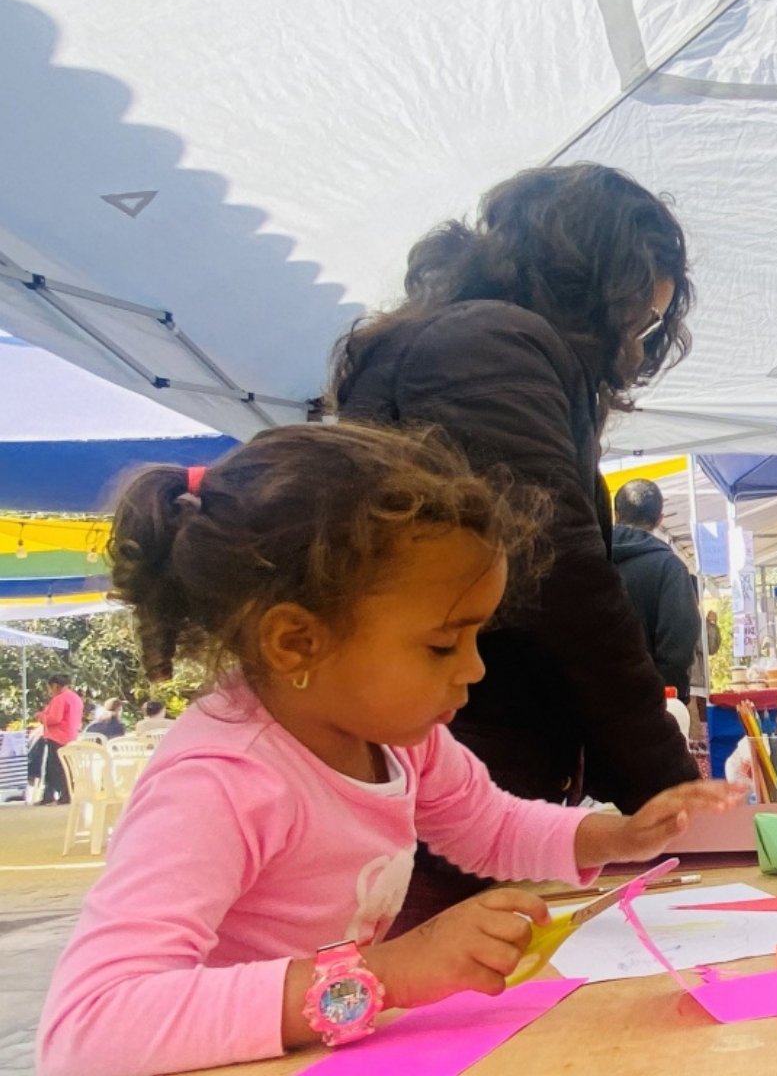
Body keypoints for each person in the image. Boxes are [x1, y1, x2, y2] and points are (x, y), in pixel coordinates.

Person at [37, 424, 737, 1076]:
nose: (474, 669)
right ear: (296, 641)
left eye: (476, 639)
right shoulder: (221, 783)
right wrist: (392, 972)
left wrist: (617, 833)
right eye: (442, 644)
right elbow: (89, 1025)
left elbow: (487, 824)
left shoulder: (401, 744)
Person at [330, 164, 699, 926]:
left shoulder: (465, 340)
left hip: (455, 776)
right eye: (636, 316)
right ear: (588, 277)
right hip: (456, 776)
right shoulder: (488, 346)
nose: (634, 342)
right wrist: (668, 792)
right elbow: (564, 584)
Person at [610, 478, 700, 699]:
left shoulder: (587, 559)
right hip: (651, 707)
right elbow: (679, 646)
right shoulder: (670, 568)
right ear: (659, 519)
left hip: (588, 708)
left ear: (615, 514)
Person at [30, 674, 83, 805]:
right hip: (70, 736)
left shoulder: (60, 699)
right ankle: (56, 795)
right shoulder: (75, 698)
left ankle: (61, 796)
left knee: (55, 768)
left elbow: (54, 718)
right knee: (63, 767)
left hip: (58, 737)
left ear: (54, 685)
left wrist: (40, 716)